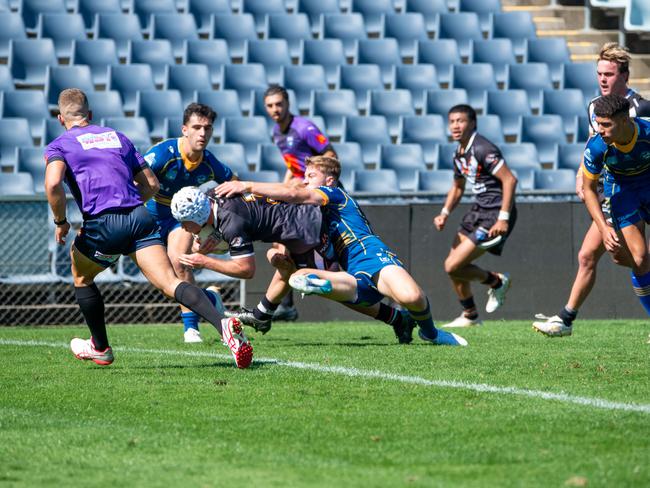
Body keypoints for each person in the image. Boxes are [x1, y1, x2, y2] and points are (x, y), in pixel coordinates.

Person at [44, 88, 252, 369]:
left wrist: (61, 222)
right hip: (140, 218)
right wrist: (129, 207)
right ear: (90, 116)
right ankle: (223, 324)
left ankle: (101, 348)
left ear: (60, 118)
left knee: (81, 276)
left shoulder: (60, 144)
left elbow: (53, 183)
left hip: (103, 223)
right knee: (171, 282)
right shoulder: (117, 136)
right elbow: (152, 184)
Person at [215, 156, 467, 346]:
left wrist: (246, 185)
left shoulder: (335, 195)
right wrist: (274, 254)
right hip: (350, 270)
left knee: (411, 297)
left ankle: (431, 333)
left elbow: (293, 193)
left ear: (329, 180)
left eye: (311, 176)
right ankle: (291, 297)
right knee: (299, 276)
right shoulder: (312, 214)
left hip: (369, 254)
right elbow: (282, 231)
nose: (305, 181)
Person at [171, 185, 416, 343]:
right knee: (283, 265)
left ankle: (396, 318)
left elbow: (246, 270)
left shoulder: (231, 222)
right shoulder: (214, 194)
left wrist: (205, 260)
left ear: (200, 216)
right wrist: (209, 239)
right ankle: (261, 315)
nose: (182, 228)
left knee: (325, 287)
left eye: (184, 222)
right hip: (291, 229)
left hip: (307, 230)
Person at [533, 43, 646, 336]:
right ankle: (565, 319)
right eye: (599, 73)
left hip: (641, 182)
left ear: (625, 75)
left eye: (609, 73)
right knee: (597, 256)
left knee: (636, 257)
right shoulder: (595, 106)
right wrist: (582, 176)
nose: (602, 79)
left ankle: (565, 318)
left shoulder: (642, 109)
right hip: (615, 188)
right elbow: (592, 146)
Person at [144, 103, 234, 344]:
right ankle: (210, 299)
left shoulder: (210, 163)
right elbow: (134, 176)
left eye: (207, 128)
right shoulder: (163, 154)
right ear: (185, 129)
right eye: (196, 127)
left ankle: (191, 329)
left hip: (179, 221)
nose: (203, 133)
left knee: (179, 261)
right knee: (162, 281)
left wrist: (221, 227)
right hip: (150, 217)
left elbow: (234, 186)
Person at [433, 104, 518, 328]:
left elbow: (510, 180)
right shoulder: (459, 153)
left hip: (494, 212)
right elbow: (458, 188)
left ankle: (497, 281)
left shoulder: (482, 148)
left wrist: (503, 218)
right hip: (477, 210)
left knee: (452, 266)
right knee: (454, 268)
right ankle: (470, 315)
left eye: (460, 121)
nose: (455, 126)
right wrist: (444, 213)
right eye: (452, 121)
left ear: (472, 123)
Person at [263, 84, 338, 322]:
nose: (275, 109)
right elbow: (293, 166)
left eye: (279, 104)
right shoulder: (276, 132)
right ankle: (285, 304)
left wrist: (312, 183)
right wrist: (285, 187)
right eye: (270, 105)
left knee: (341, 245)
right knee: (281, 237)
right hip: (302, 194)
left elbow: (330, 155)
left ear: (287, 104)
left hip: (320, 195)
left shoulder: (304, 128)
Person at [581, 94, 650, 317]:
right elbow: (589, 190)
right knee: (639, 259)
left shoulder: (648, 132)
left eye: (605, 124)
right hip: (623, 191)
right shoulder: (597, 147)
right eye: (598, 124)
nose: (599, 130)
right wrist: (604, 227)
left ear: (624, 120)